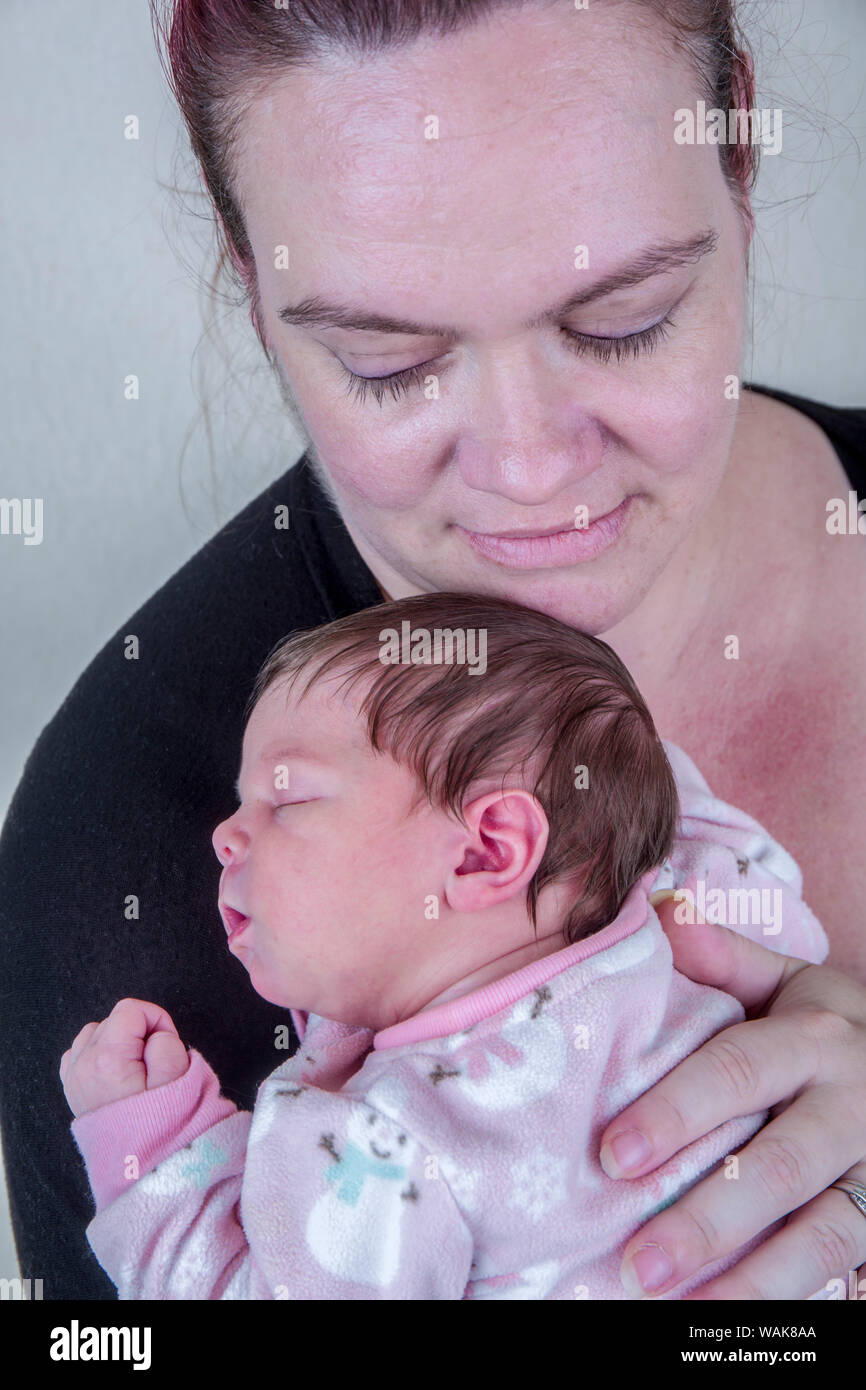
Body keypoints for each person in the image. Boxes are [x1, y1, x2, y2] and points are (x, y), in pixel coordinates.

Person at [1, 0, 865, 1301]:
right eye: (387, 362)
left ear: (738, 150)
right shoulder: (119, 887)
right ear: (248, 277)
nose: (528, 468)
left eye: (623, 317)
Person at [59, 594, 829, 1299]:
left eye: (287, 798)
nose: (225, 836)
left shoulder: (394, 1137)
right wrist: (627, 796)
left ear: (486, 852)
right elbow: (768, 904)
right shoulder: (694, 923)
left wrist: (157, 1157)